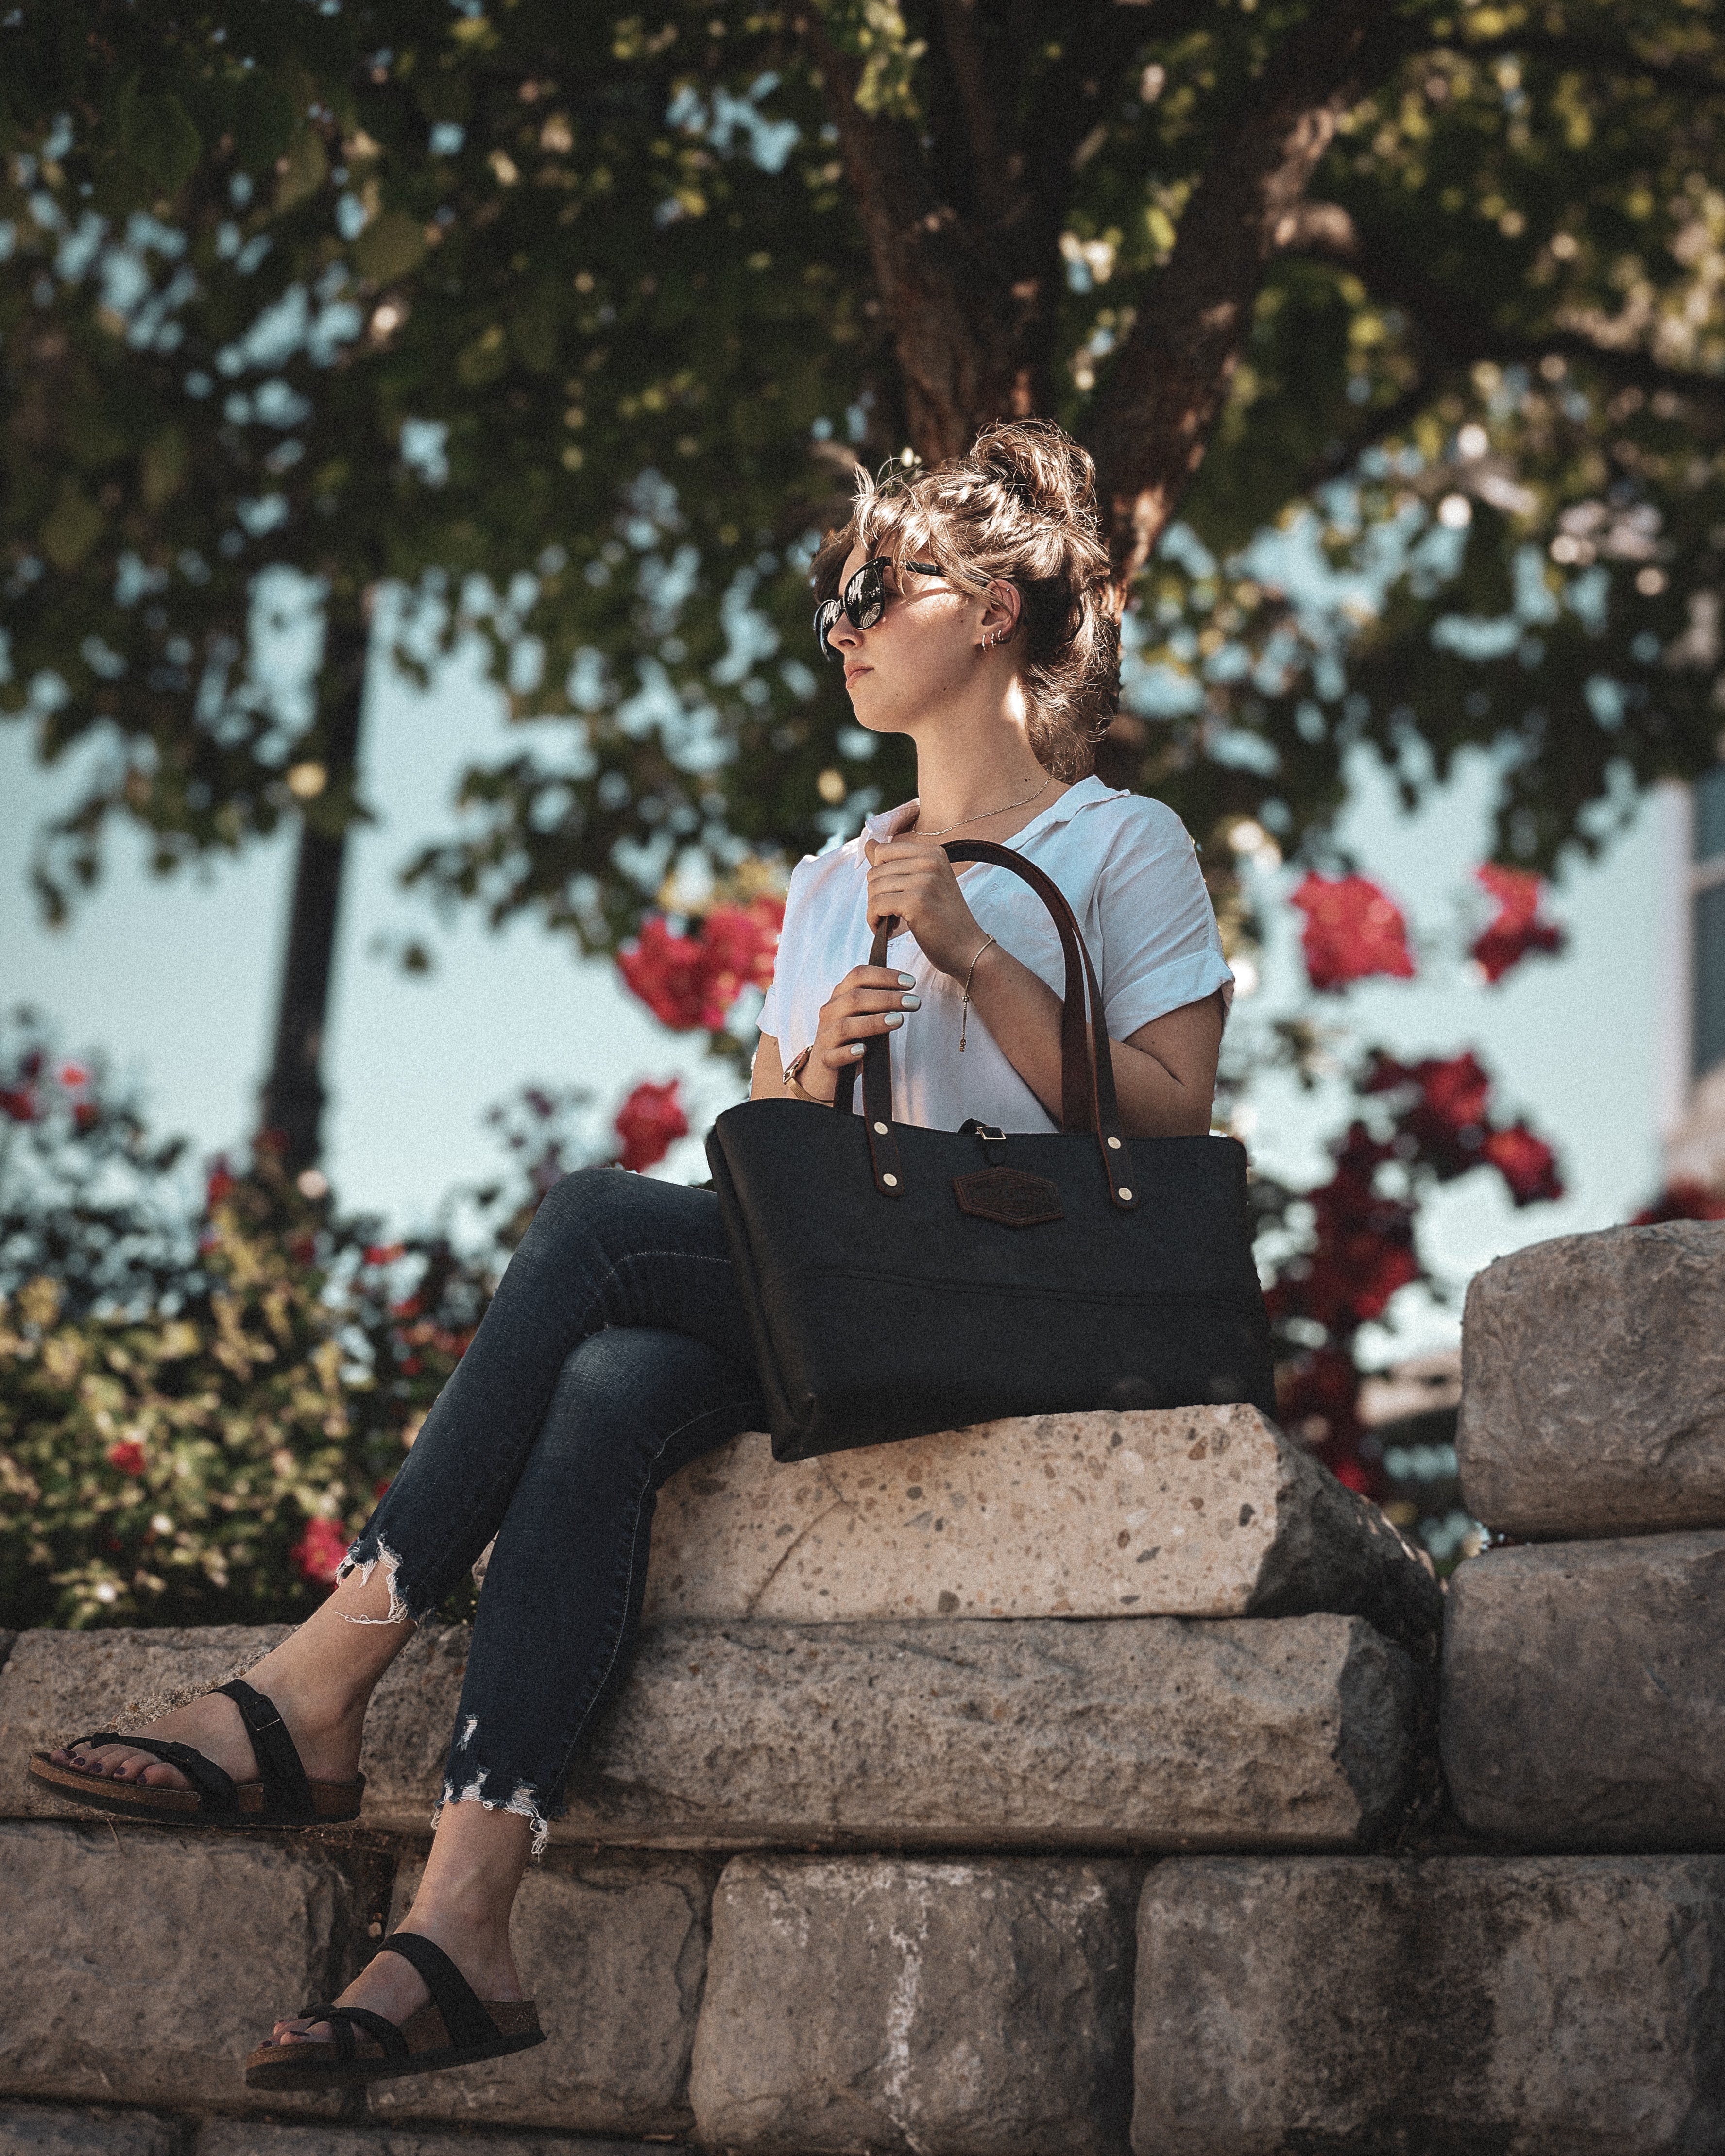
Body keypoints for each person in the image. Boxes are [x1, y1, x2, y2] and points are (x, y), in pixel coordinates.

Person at [30, 417, 1233, 2088]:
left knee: (598, 1217)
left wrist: (976, 951)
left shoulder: (1121, 845)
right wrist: (809, 1079)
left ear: (1007, 614)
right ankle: (463, 1923)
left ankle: (321, 1680)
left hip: (1035, 1308)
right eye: (843, 592)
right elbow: (768, 1171)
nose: (851, 621)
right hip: (863, 1294)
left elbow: (1170, 1123)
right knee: (607, 1384)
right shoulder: (829, 881)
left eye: (894, 585)